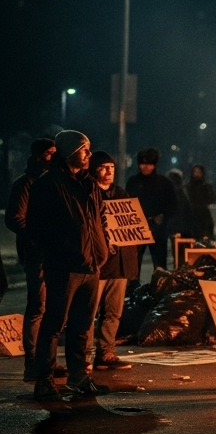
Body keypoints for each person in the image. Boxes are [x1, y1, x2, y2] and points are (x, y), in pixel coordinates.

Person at [27, 130, 110, 401]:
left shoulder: (90, 184)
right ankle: (45, 380)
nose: (88, 154)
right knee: (54, 324)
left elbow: (100, 219)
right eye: (84, 150)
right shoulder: (47, 184)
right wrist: (59, 252)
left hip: (91, 265)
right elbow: (37, 228)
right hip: (64, 266)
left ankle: (78, 377)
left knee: (83, 325)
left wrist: (102, 249)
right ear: (70, 152)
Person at [5, 137, 57, 381]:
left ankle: (47, 361)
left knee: (54, 308)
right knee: (38, 306)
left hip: (56, 254)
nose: (53, 157)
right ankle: (32, 363)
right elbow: (15, 218)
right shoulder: (26, 183)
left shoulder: (54, 181)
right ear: (38, 156)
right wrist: (39, 237)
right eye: (49, 153)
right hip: (36, 253)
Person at [88, 151, 138, 371]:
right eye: (103, 167)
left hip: (119, 264)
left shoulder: (121, 193)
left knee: (113, 312)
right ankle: (84, 357)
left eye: (112, 167)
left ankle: (106, 353)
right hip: (97, 264)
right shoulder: (88, 193)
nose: (108, 172)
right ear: (93, 169)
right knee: (89, 312)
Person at [126, 147, 177, 274]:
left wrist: (163, 218)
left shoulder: (165, 183)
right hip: (137, 228)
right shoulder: (132, 182)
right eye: (143, 163)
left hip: (158, 229)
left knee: (159, 266)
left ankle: (159, 289)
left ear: (154, 165)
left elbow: (173, 205)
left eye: (149, 164)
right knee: (133, 265)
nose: (146, 167)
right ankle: (132, 290)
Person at [165, 168, 196, 242]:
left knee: (176, 248)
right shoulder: (183, 192)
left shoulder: (169, 192)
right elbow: (188, 212)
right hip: (183, 227)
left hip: (174, 226)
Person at [187, 164, 216, 240]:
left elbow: (211, 199)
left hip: (204, 217)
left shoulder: (206, 187)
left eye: (198, 172)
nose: (196, 174)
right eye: (195, 172)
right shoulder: (188, 187)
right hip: (192, 217)